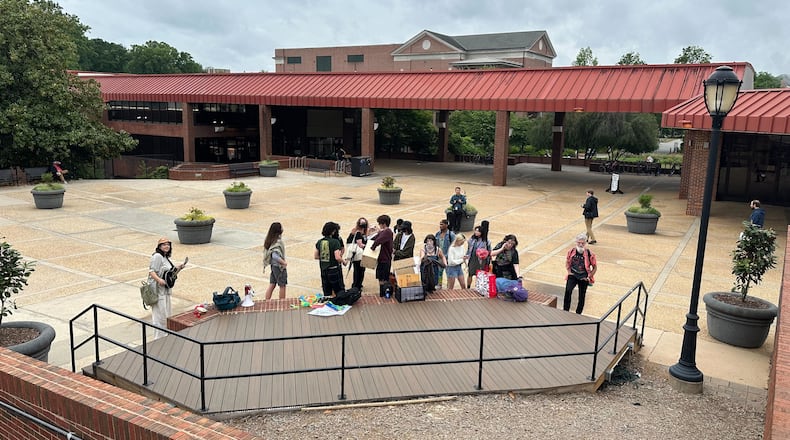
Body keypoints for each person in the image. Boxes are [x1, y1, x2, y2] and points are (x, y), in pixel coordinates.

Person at [148, 238, 185, 339]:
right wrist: (159, 280)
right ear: (159, 246)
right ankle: (158, 338)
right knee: (159, 316)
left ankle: (165, 335)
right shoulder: (157, 256)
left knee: (166, 315)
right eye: (163, 244)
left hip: (166, 291)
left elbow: (170, 274)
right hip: (158, 292)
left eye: (168, 244)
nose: (166, 246)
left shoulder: (165, 257)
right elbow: (151, 272)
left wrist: (179, 268)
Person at [563, 233, 598, 314]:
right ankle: (565, 311)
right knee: (568, 291)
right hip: (573, 275)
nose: (581, 245)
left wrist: (589, 277)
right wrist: (569, 272)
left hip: (583, 277)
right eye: (579, 243)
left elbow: (595, 267)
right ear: (576, 242)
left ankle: (578, 313)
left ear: (585, 243)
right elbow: (567, 262)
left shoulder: (590, 254)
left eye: (583, 243)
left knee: (582, 296)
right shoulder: (571, 251)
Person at [314, 222, 345, 299]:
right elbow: (337, 257)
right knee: (339, 290)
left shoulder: (320, 242)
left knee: (327, 291)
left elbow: (316, 256)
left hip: (324, 270)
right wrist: (344, 261)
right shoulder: (335, 242)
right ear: (333, 231)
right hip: (334, 269)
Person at [370, 214, 394, 297]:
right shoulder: (384, 232)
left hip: (385, 259)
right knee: (381, 277)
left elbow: (378, 241)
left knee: (383, 278)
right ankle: (382, 293)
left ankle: (383, 294)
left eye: (379, 223)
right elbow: (374, 238)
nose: (379, 225)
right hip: (382, 258)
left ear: (383, 224)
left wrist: (372, 247)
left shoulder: (387, 232)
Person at [262, 222, 288, 300]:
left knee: (272, 284)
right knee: (282, 285)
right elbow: (275, 256)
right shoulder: (277, 242)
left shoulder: (270, 240)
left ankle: (267, 301)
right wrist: (283, 262)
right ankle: (282, 302)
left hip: (273, 266)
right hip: (279, 267)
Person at [345, 217, 371, 291]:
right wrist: (368, 246)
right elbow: (360, 244)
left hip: (361, 255)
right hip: (358, 255)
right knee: (358, 271)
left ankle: (358, 284)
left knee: (361, 270)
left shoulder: (362, 232)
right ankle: (356, 286)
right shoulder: (358, 233)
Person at [465, 221, 491, 288]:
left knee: (479, 274)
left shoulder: (486, 241)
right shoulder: (472, 239)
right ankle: (468, 287)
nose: (476, 232)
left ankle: (478, 287)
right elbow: (469, 248)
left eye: (478, 231)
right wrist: (467, 255)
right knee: (470, 274)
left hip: (481, 260)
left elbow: (489, 251)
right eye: (475, 231)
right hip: (472, 259)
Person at [435, 219, 455, 288]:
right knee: (439, 272)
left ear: (446, 225)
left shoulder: (451, 235)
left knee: (448, 273)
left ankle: (448, 286)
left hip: (448, 257)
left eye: (442, 224)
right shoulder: (437, 234)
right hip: (439, 257)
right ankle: (439, 284)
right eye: (440, 224)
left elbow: (454, 245)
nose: (440, 226)